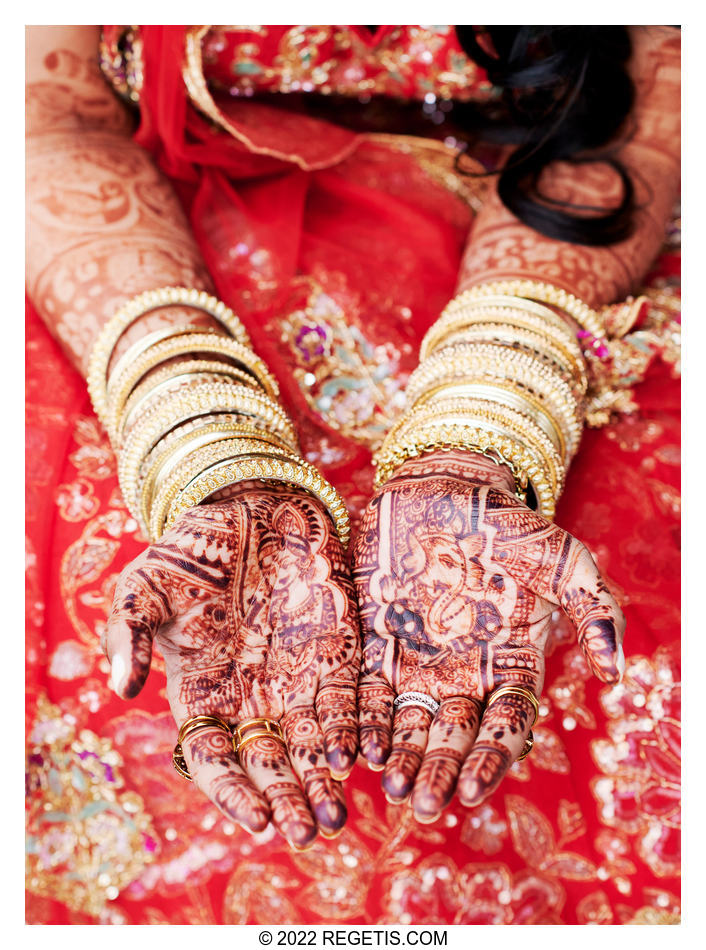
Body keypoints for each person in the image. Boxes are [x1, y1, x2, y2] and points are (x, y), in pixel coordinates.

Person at [25, 25, 681, 924]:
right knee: (111, 588)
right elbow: (48, 116)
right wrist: (197, 435)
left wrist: (486, 423)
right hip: (153, 256)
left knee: (609, 606)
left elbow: (649, 103)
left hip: (541, 243)